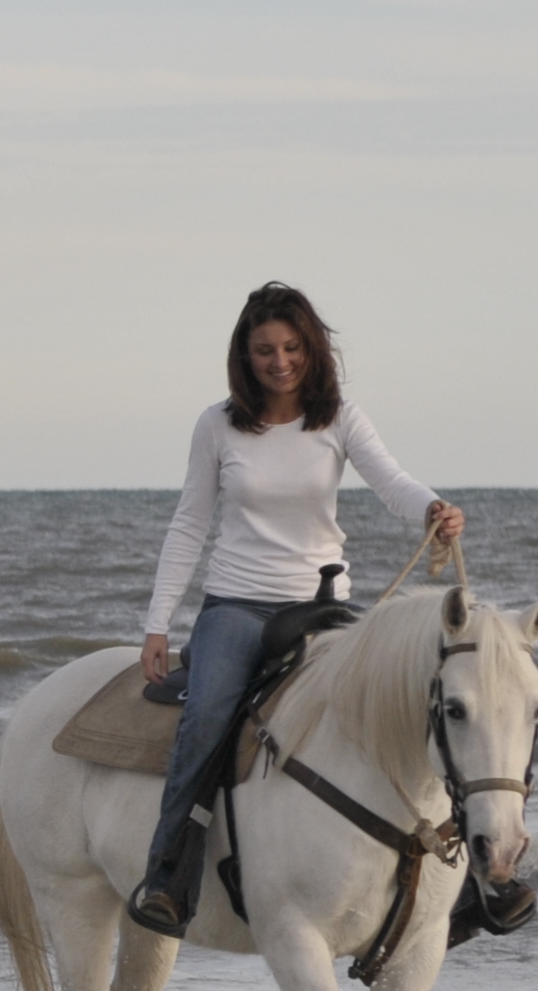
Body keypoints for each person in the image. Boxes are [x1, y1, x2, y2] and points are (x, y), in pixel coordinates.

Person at [127, 281, 463, 936]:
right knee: (206, 720)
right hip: (236, 606)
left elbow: (391, 482)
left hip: (324, 606)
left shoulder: (339, 418)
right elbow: (189, 523)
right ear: (244, 357)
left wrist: (431, 508)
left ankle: (462, 878)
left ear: (310, 350)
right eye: (263, 352)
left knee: (417, 698)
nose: (278, 362)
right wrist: (157, 621)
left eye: (290, 348)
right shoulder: (218, 425)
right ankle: (168, 873)